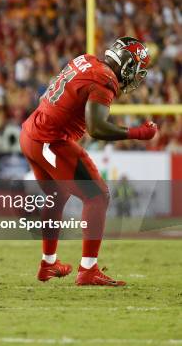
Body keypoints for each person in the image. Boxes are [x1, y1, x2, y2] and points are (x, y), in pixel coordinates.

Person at [20, 37, 157, 286]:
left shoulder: (86, 60)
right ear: (127, 65)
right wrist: (137, 133)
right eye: (136, 69)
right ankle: (88, 270)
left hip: (31, 133)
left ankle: (48, 264)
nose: (136, 77)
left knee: (57, 197)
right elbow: (96, 128)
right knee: (97, 196)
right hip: (50, 141)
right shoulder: (104, 79)